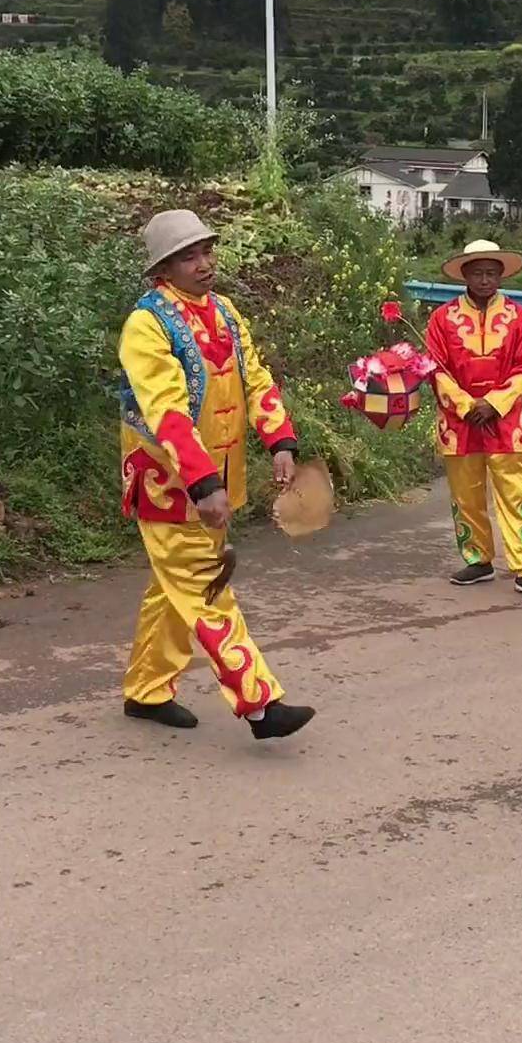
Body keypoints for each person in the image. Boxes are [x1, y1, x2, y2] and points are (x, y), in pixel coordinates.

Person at [119, 210, 314, 739]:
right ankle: (259, 703)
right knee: (206, 585)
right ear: (163, 268)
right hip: (171, 486)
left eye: (207, 250)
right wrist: (203, 483)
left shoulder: (224, 311)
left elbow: (256, 378)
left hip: (216, 481)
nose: (204, 264)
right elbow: (167, 413)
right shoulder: (147, 325)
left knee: (173, 589)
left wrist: (280, 440)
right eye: (189, 256)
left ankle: (146, 689)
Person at [424, 239, 522, 601]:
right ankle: (477, 558)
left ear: (501, 275)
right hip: (459, 422)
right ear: (464, 274)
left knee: (515, 493)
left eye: (491, 273)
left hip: (505, 421)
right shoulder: (442, 319)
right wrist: (467, 405)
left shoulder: (520, 316)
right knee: (465, 496)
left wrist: (495, 403)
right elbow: (435, 369)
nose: (485, 280)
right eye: (478, 273)